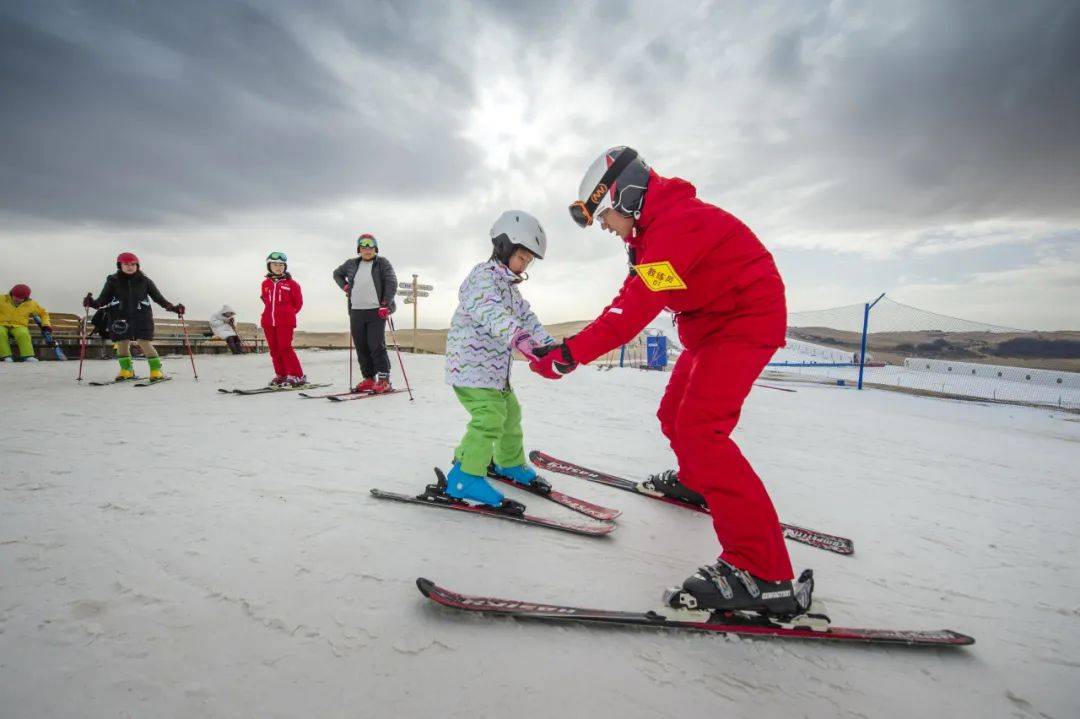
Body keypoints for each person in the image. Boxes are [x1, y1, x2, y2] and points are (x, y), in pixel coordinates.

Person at [530, 147, 810, 618]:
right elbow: (628, 298)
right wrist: (568, 347)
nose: (604, 226)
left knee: (702, 430)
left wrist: (569, 356)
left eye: (604, 216)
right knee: (672, 415)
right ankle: (698, 481)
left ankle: (763, 573)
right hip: (711, 326)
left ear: (628, 194)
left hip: (744, 321)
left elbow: (632, 313)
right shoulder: (653, 232)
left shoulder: (678, 225)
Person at [442, 210, 556, 510]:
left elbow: (526, 317)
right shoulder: (482, 278)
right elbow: (492, 314)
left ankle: (508, 462)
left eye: (528, 261)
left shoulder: (509, 287)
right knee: (488, 417)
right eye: (522, 257)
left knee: (510, 413)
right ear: (504, 246)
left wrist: (548, 345)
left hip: (493, 372)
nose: (524, 265)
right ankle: (465, 476)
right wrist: (518, 339)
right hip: (470, 368)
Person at [83, 253, 184, 382]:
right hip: (119, 317)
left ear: (137, 266)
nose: (130, 267)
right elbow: (102, 300)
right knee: (122, 342)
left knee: (144, 342)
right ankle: (126, 370)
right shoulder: (113, 281)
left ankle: (156, 370)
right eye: (126, 264)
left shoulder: (145, 281)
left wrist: (174, 308)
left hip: (141, 317)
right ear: (120, 265)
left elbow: (159, 299)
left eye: (133, 264)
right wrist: (91, 303)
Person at [332, 233, 397, 394]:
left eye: (371, 247)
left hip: (377, 311)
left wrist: (385, 304)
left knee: (376, 345)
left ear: (375, 249)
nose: (367, 250)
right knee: (361, 346)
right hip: (356, 311)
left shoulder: (382, 263)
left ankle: (384, 380)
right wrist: (345, 286)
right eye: (363, 247)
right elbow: (337, 274)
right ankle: (369, 378)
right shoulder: (351, 264)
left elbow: (391, 282)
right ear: (359, 249)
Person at [260, 251, 307, 387]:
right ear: (269, 266)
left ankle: (296, 375)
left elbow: (298, 304)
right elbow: (266, 301)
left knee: (285, 347)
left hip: (285, 321)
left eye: (281, 265)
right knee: (274, 350)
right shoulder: (265, 284)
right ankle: (281, 375)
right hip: (268, 321)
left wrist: (287, 313)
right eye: (275, 264)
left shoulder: (292, 284)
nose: (278, 267)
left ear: (285, 267)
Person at [0, 284, 50, 362]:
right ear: (11, 294)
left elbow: (43, 313)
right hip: (2, 324)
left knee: (23, 333)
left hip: (19, 325)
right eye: (15, 296)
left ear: (25, 298)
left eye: (20, 298)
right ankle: (5, 356)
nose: (17, 299)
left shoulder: (31, 304)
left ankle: (27, 356)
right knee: (0, 332)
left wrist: (46, 325)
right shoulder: (2, 299)